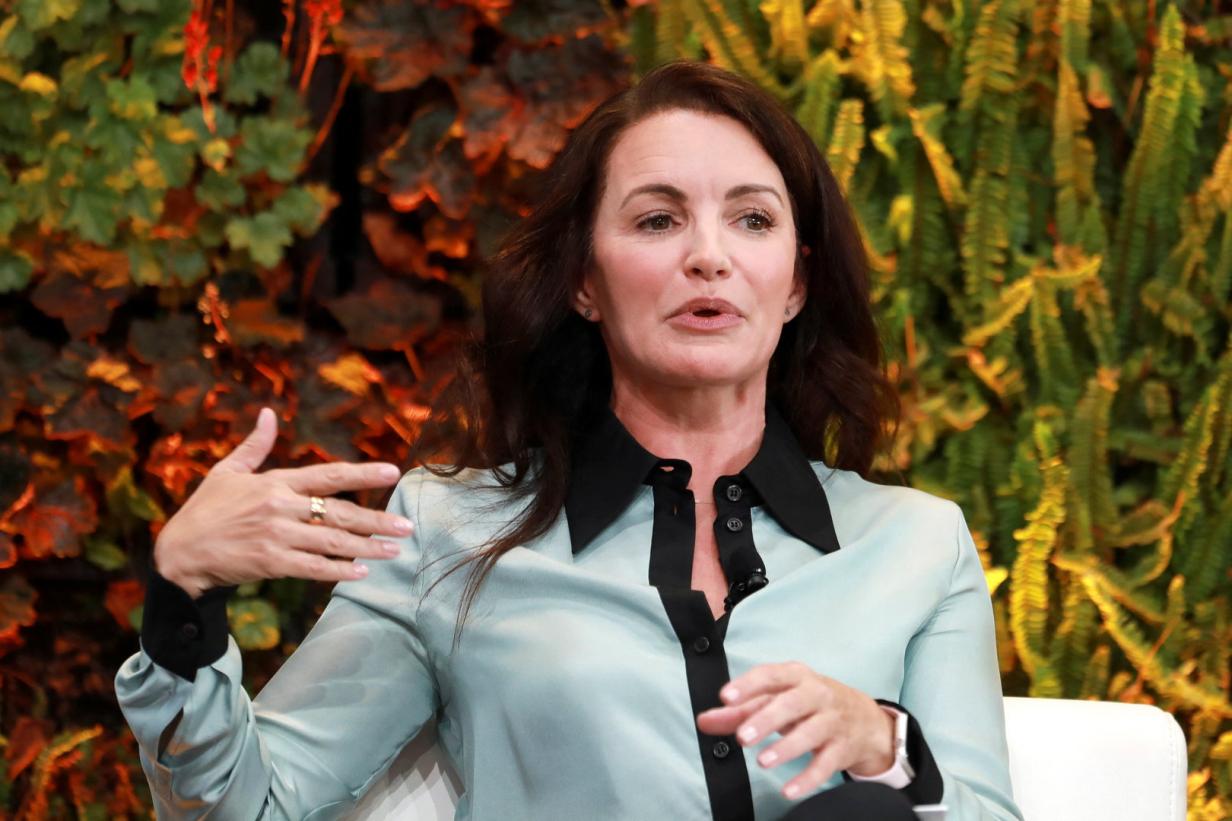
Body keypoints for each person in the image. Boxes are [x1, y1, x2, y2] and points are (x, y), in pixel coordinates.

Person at [115, 59, 1023, 820]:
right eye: (658, 219)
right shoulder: (450, 532)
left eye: (752, 219)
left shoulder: (916, 543)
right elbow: (246, 806)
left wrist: (885, 743)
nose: (709, 255)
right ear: (585, 280)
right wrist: (182, 597)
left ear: (795, 284)